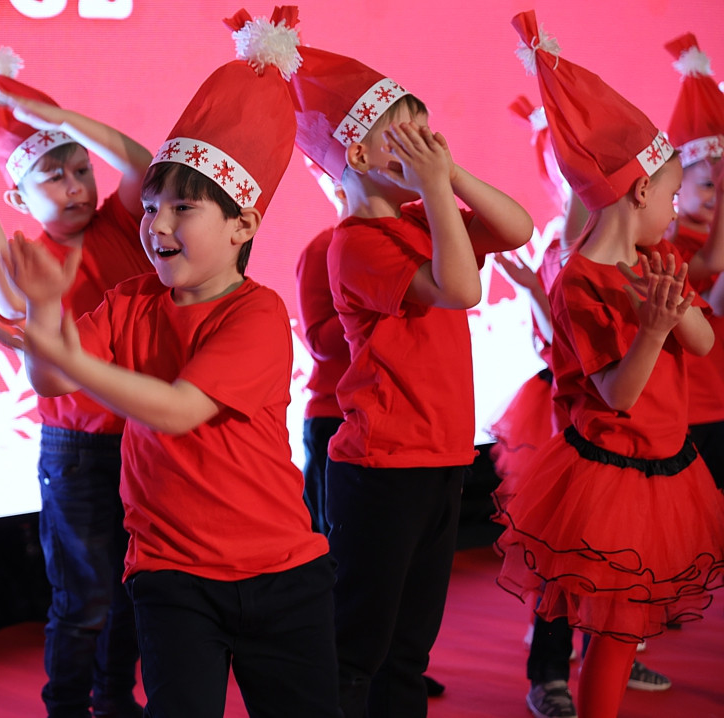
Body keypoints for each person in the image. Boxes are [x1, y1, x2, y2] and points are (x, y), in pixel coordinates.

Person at [1, 8, 339, 717]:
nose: (155, 225)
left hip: (282, 572)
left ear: (242, 224)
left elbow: (179, 409)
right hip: (171, 574)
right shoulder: (130, 300)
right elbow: (52, 381)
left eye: (181, 209)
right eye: (151, 205)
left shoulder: (256, 312)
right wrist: (41, 318)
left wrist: (54, 340)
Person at [289, 42, 534, 718]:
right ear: (361, 158)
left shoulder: (423, 221)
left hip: (441, 458)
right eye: (410, 138)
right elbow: (461, 288)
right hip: (384, 466)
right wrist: (435, 188)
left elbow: (516, 227)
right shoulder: (358, 241)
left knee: (408, 650)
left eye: (430, 137)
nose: (429, 150)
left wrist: (446, 177)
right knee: (357, 646)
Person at [495, 12, 724, 718]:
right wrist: (652, 330)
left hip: (667, 464)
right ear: (640, 193)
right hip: (614, 474)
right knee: (613, 635)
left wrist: (673, 314)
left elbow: (706, 343)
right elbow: (618, 392)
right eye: (671, 192)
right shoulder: (581, 280)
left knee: (623, 638)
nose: (676, 206)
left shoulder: (657, 258)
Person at [0, 37, 153, 718]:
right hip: (81, 449)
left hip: (147, 437)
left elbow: (140, 163)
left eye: (80, 169)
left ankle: (117, 700)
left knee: (137, 584)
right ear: (17, 192)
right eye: (55, 177)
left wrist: (65, 120)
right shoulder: (30, 253)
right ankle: (67, 705)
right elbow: (6, 304)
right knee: (84, 595)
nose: (77, 186)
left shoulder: (125, 222)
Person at [491, 98, 670, 718]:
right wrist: (538, 294)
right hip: (569, 418)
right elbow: (562, 342)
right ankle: (549, 676)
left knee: (613, 564)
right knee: (568, 563)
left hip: (628, 434)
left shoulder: (638, 256)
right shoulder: (569, 259)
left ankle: (608, 654)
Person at [663, 32, 724, 492]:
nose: (716, 197)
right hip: (695, 410)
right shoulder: (672, 247)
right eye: (709, 186)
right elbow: (712, 273)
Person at [295, 158, 348, 536]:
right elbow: (318, 341)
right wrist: (371, 301)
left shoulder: (414, 240)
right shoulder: (324, 249)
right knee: (336, 549)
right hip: (335, 416)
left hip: (398, 423)